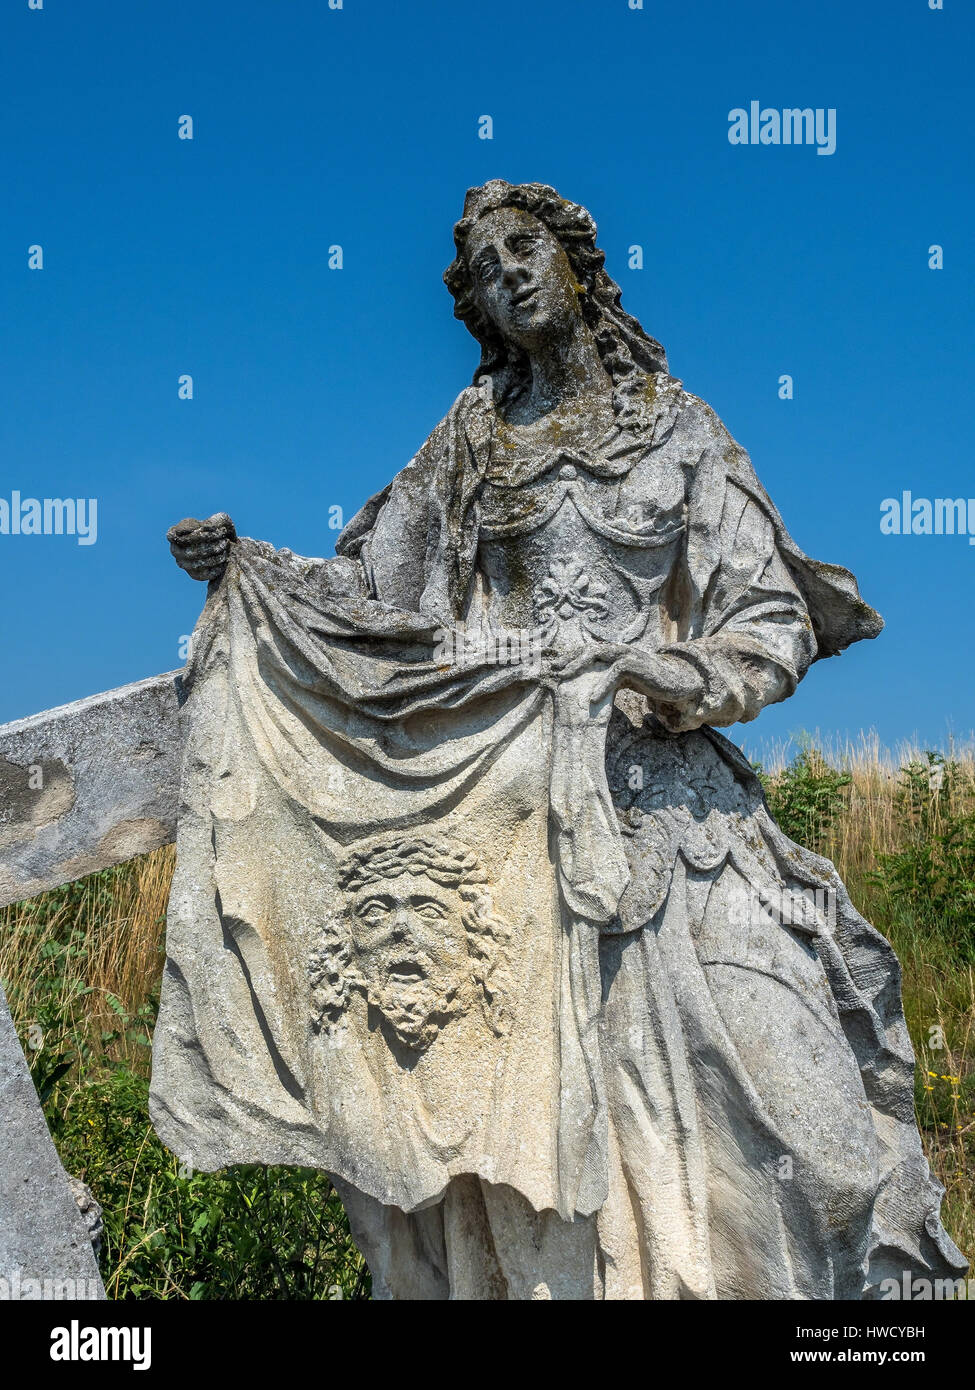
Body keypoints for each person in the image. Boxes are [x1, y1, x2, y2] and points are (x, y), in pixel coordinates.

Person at [157, 180, 965, 1299]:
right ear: (477, 309)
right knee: (548, 1162)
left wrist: (665, 669)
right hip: (515, 829)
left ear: (579, 263)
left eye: (524, 249)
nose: (509, 275)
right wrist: (253, 569)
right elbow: (373, 592)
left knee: (804, 1103)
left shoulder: (679, 430)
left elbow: (771, 621)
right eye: (486, 269)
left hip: (676, 817)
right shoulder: (473, 442)